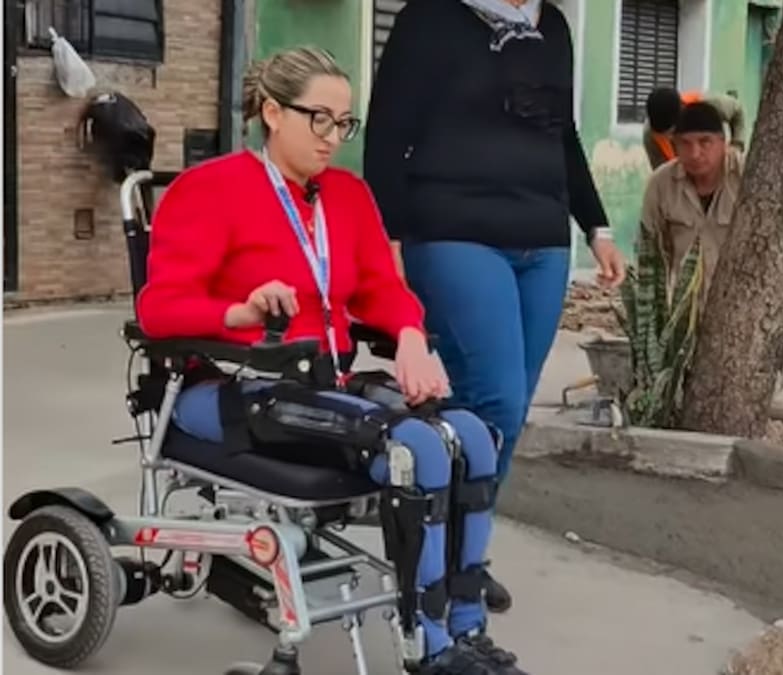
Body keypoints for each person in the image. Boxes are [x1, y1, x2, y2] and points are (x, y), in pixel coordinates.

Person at [136, 47, 526, 675]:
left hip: (329, 381)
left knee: (474, 436)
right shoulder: (208, 190)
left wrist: (409, 336)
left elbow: (381, 288)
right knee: (417, 451)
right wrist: (238, 313)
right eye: (320, 118)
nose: (334, 138)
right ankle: (426, 648)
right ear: (271, 111)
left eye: (344, 123)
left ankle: (465, 628)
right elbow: (159, 308)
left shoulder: (346, 196)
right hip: (239, 387)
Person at [363, 0, 625, 611]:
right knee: (496, 402)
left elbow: (562, 134)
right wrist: (390, 239)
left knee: (503, 417)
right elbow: (388, 131)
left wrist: (597, 226)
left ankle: (461, 553)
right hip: (456, 231)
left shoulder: (550, 25)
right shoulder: (430, 18)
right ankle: (441, 563)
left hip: (542, 243)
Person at [639, 102, 783, 341]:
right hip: (687, 316)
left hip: (752, 310)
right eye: (685, 144)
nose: (695, 153)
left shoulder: (753, 176)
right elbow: (650, 250)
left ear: (723, 143)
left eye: (705, 142)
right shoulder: (660, 184)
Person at [643, 87, 746, 170]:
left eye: (672, 131)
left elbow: (737, 110)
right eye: (664, 135)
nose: (670, 138)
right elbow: (661, 173)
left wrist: (737, 144)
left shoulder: (707, 105)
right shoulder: (650, 135)